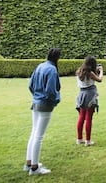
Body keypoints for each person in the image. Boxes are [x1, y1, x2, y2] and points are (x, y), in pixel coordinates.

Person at [25, 48, 62, 176]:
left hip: (36, 102)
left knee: (34, 132)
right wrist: (56, 100)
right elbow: (51, 91)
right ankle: (34, 168)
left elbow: (30, 85)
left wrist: (36, 96)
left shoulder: (40, 66)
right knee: (39, 136)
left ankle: (29, 163)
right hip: (45, 104)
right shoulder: (52, 69)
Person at [76, 55, 104, 146]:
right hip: (90, 95)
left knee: (81, 116)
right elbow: (99, 80)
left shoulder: (79, 71)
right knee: (89, 118)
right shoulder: (90, 73)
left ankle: (79, 139)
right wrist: (101, 71)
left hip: (81, 94)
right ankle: (88, 141)